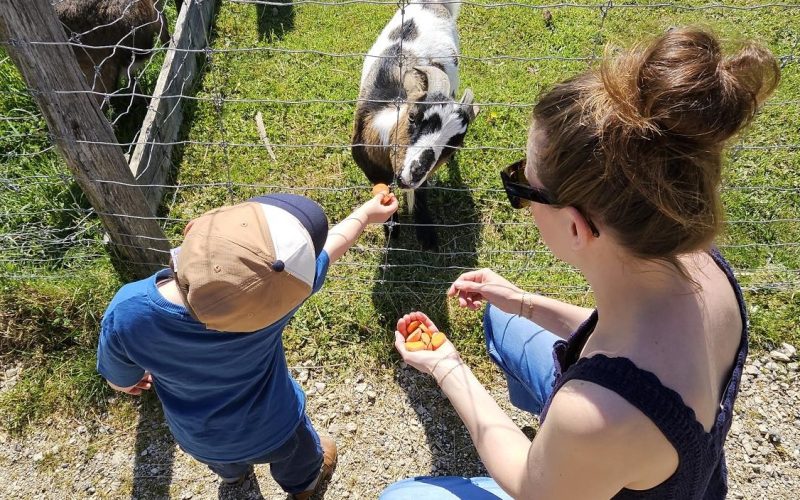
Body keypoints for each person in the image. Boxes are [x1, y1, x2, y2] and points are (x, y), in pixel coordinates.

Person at [382, 27, 779, 499]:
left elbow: (530, 485)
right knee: (503, 318)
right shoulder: (697, 258)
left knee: (401, 496)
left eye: (521, 187)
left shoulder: (591, 416)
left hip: (601, 439)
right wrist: (524, 303)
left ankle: (566, 463)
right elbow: (627, 347)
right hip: (658, 445)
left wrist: (447, 365)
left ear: (576, 226)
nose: (520, 200)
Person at [97, 191, 398, 498]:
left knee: (226, 462)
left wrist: (129, 382)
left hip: (201, 437)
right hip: (278, 427)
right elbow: (333, 245)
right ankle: (304, 486)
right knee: (301, 457)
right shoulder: (278, 305)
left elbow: (120, 380)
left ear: (191, 229)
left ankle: (235, 477)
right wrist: (365, 215)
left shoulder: (128, 311)